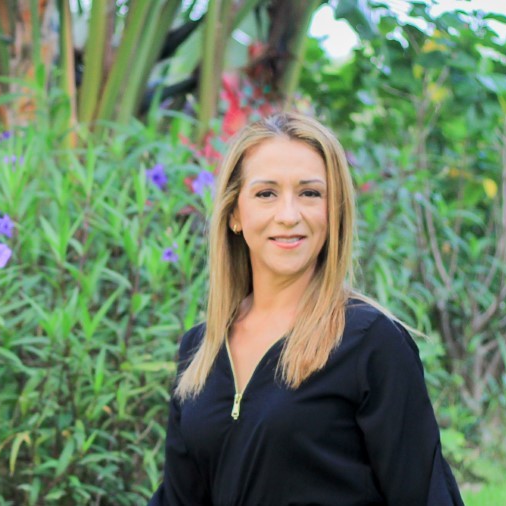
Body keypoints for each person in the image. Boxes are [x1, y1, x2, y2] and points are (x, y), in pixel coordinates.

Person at [148, 113, 464, 505]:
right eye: (266, 193)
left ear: (334, 213)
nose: (288, 215)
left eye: (310, 193)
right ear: (234, 214)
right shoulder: (201, 349)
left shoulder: (370, 342)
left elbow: (424, 494)